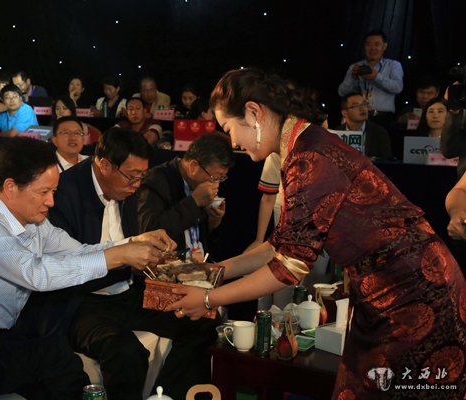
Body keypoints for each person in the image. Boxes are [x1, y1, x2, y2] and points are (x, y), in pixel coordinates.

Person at [167, 68, 466, 400]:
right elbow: (282, 243)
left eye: (229, 129)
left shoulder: (310, 156)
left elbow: (289, 267)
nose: (233, 142)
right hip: (389, 291)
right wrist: (217, 270)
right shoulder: (301, 145)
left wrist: (208, 298)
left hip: (415, 293)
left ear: (253, 113)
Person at [0, 136, 174, 399]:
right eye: (43, 192)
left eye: (54, 192)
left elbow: (78, 251)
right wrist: (120, 256)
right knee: (56, 360)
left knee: (56, 364)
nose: (51, 202)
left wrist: (133, 243)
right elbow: (37, 274)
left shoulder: (36, 224)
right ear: (11, 187)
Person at [49, 128, 216, 400]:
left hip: (127, 291)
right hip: (82, 302)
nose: (137, 184)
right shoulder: (64, 192)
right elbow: (66, 265)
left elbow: (132, 242)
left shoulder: (127, 188)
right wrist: (128, 254)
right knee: (125, 352)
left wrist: (150, 254)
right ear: (104, 165)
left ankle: (165, 396)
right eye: (132, 175)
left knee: (201, 319)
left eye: (142, 176)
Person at [137, 133, 233, 261]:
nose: (217, 184)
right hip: (170, 267)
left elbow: (201, 239)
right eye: (215, 177)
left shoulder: (198, 184)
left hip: (199, 264)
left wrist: (212, 222)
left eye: (221, 178)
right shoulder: (156, 180)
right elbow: (149, 230)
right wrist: (194, 202)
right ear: (193, 166)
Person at [338, 30, 403, 129]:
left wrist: (376, 77)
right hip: (358, 117)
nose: (372, 48)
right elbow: (342, 92)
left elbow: (397, 88)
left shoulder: (393, 65)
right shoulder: (355, 67)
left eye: (377, 44)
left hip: (383, 118)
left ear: (385, 46)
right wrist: (352, 77)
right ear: (364, 46)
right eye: (369, 44)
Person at [335, 92, 393, 160]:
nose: (362, 109)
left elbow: (386, 160)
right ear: (344, 113)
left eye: (364, 104)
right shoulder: (336, 134)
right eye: (356, 106)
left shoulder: (379, 132)